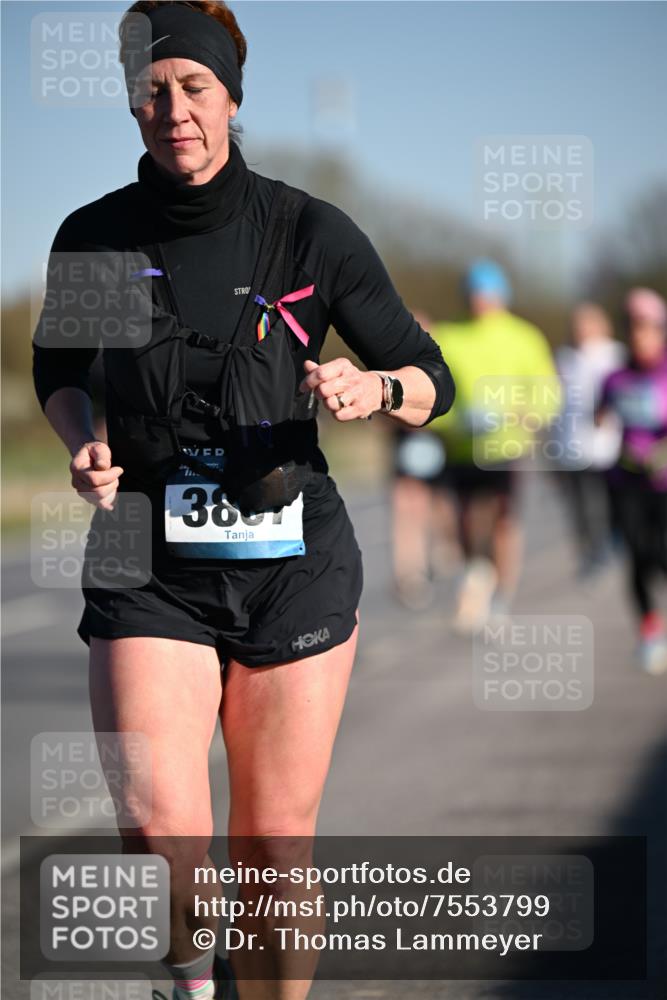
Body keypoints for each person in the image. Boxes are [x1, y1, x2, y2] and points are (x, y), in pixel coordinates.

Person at [31, 3, 455, 998]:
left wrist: (375, 388)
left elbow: (433, 376)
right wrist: (83, 438)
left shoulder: (311, 232)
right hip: (149, 562)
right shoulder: (93, 238)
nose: (172, 108)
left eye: (193, 86)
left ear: (231, 95)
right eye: (151, 88)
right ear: (129, 101)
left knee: (270, 842)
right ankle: (189, 981)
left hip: (293, 566)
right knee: (156, 823)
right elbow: (59, 368)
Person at [429, 259, 559, 632]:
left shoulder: (524, 336)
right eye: (474, 295)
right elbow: (433, 391)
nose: (480, 303)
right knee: (464, 521)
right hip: (460, 447)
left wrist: (523, 412)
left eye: (487, 295)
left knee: (504, 521)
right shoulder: (448, 335)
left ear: (502, 297)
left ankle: (501, 597)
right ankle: (476, 571)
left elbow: (548, 392)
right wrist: (454, 420)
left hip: (507, 446)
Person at [597, 288, 667, 675]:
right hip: (626, 481)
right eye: (633, 327)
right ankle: (650, 632)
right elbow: (600, 415)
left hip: (664, 483)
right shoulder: (615, 377)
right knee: (637, 558)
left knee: (660, 554)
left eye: (647, 327)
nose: (640, 335)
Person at [389, 310, 461, 609]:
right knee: (407, 510)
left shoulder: (444, 363)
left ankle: (448, 548)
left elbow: (455, 401)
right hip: (407, 448)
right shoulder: (393, 362)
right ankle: (409, 574)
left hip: (440, 446)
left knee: (441, 506)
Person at [553, 303, 624, 577]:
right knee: (580, 504)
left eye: (588, 323)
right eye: (578, 323)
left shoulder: (615, 355)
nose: (582, 329)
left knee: (608, 501)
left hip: (608, 444)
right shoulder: (564, 357)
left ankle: (609, 543)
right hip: (571, 445)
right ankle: (591, 551)